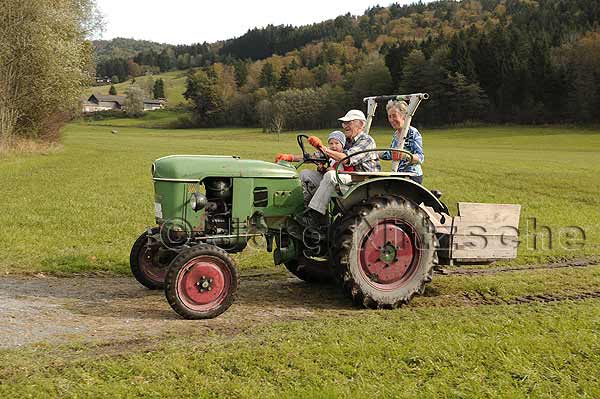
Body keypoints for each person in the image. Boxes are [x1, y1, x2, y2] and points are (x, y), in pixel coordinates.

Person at [299, 109, 380, 226]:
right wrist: (290, 158)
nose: (345, 126)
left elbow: (346, 158)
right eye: (344, 123)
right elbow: (319, 155)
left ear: (361, 125)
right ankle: (307, 210)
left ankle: (315, 215)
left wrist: (323, 148)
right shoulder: (346, 141)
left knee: (331, 175)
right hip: (346, 176)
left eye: (349, 122)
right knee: (305, 174)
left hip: (362, 180)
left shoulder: (367, 141)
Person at [279, 131, 355, 205]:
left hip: (340, 184)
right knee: (304, 173)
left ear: (342, 144)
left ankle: (310, 205)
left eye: (337, 143)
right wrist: (290, 157)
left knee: (316, 186)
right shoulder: (329, 155)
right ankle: (302, 201)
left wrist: (335, 171)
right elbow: (314, 157)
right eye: (331, 143)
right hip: (327, 179)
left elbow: (349, 173)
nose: (333, 146)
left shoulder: (344, 157)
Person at [381, 100, 424, 184]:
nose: (391, 120)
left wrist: (405, 155)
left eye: (394, 116)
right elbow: (391, 154)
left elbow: (420, 158)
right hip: (398, 173)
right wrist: (373, 153)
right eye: (389, 116)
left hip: (411, 175)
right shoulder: (396, 134)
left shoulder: (412, 132)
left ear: (403, 116)